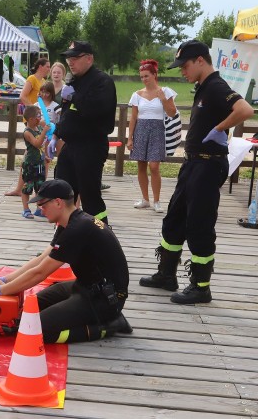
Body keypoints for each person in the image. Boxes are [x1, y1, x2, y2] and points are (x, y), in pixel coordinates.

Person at [139, 40, 254, 304]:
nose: (182, 71)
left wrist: (220, 128)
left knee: (199, 225)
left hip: (208, 165)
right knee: (174, 219)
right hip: (193, 164)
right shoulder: (203, 87)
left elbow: (245, 109)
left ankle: (201, 286)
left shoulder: (215, 86)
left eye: (185, 65)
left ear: (201, 60)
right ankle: (166, 274)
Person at [0, 179, 132, 343]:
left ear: (58, 202)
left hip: (104, 300)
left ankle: (109, 326)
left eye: (43, 205)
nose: (41, 210)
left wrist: (2, 291)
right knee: (29, 308)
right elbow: (42, 258)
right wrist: (5, 280)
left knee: (31, 329)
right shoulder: (70, 222)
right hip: (85, 286)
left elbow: (41, 272)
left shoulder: (77, 229)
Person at [47, 40, 117, 224]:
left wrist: (75, 97)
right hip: (70, 146)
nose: (70, 62)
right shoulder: (73, 81)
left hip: (91, 146)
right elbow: (66, 114)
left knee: (90, 197)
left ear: (89, 59)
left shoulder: (102, 82)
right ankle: (64, 238)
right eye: (68, 58)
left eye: (75, 57)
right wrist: (56, 135)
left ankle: (101, 237)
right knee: (61, 195)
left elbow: (97, 110)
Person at [127, 59, 178, 213]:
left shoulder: (165, 91)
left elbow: (172, 113)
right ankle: (145, 199)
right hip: (141, 130)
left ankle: (157, 201)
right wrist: (130, 138)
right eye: (141, 76)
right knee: (141, 164)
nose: (144, 79)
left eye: (147, 76)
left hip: (157, 130)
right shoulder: (137, 94)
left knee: (154, 166)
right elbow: (133, 118)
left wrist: (162, 99)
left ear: (155, 74)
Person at [5, 58, 51, 197]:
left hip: (39, 119)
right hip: (32, 119)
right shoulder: (32, 78)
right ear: (40, 66)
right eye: (47, 66)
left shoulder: (43, 82)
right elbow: (23, 96)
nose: (49, 69)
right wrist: (35, 111)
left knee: (40, 152)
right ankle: (21, 187)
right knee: (32, 150)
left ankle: (37, 186)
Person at [20, 105, 48, 219]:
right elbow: (36, 143)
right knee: (27, 187)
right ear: (31, 119)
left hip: (40, 163)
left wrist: (45, 156)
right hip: (30, 164)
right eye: (38, 116)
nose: (40, 118)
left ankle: (39, 208)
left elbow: (42, 146)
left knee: (40, 187)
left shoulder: (39, 129)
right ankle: (26, 209)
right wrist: (45, 131)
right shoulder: (27, 132)